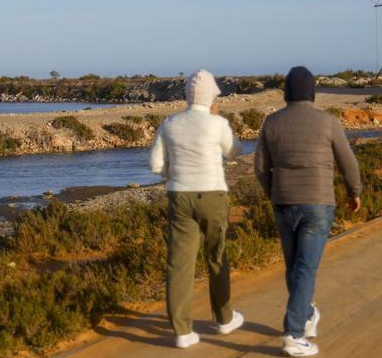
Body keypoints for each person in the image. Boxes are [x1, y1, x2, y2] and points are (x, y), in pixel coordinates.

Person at [253, 66, 362, 357]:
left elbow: (261, 168)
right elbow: (348, 161)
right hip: (318, 203)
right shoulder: (328, 122)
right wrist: (355, 192)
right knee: (304, 268)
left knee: (294, 267)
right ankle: (293, 333)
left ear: (286, 93)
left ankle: (306, 314)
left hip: (284, 202)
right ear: (312, 92)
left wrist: (272, 193)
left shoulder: (271, 122)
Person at [149, 69, 245, 349]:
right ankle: (224, 319)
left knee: (179, 264)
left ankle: (182, 331)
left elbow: (155, 164)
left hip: (179, 195)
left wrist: (171, 172)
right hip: (213, 194)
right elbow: (235, 152)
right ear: (212, 95)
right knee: (216, 255)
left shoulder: (170, 124)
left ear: (187, 96)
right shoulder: (217, 124)